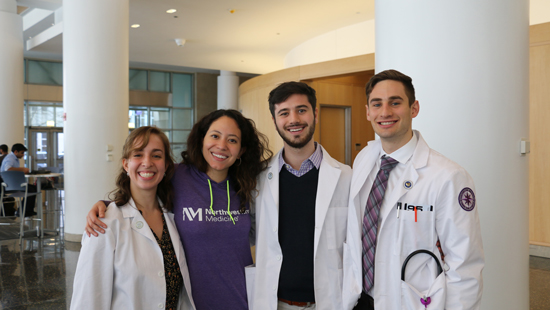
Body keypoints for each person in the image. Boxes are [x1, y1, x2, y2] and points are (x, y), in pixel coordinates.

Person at [85, 110, 272, 310]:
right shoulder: (178, 176)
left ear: (241, 150)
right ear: (202, 139)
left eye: (232, 140)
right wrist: (106, 205)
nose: (222, 145)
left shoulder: (247, 185)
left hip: (241, 301)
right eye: (215, 136)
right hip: (191, 303)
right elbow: (143, 184)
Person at [342, 70, 484, 310]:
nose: (385, 112)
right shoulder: (364, 159)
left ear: (414, 108)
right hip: (360, 300)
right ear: (368, 111)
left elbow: (465, 265)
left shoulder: (448, 176)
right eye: (377, 104)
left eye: (395, 103)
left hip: (409, 303)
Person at [248, 82, 352, 310]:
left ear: (315, 113)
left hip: (330, 302)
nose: (294, 119)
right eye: (284, 113)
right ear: (274, 120)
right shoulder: (257, 179)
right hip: (276, 303)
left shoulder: (346, 177)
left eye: (301, 110)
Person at [71, 127, 195, 309]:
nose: (147, 162)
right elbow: (88, 299)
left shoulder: (174, 217)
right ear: (126, 164)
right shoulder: (104, 223)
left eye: (157, 155)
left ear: (166, 165)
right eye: (138, 154)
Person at [1, 143, 36, 217]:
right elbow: (8, 169)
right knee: (31, 189)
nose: (23, 155)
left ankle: (26, 210)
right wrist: (22, 169)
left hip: (11, 184)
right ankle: (24, 211)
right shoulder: (10, 158)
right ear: (16, 152)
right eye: (22, 153)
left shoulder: (14, 158)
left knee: (33, 188)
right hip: (8, 185)